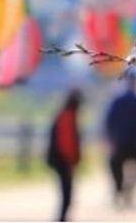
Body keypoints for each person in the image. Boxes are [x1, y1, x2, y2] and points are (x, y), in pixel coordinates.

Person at [104, 69, 136, 205]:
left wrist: (110, 138)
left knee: (117, 167)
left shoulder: (119, 100)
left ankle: (121, 190)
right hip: (133, 141)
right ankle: (125, 190)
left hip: (124, 141)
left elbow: (109, 121)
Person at [46, 89, 83, 222]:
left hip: (60, 159)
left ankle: (63, 216)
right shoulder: (67, 116)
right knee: (67, 190)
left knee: (66, 190)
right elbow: (67, 142)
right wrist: (72, 161)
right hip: (63, 160)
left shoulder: (64, 114)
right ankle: (62, 218)